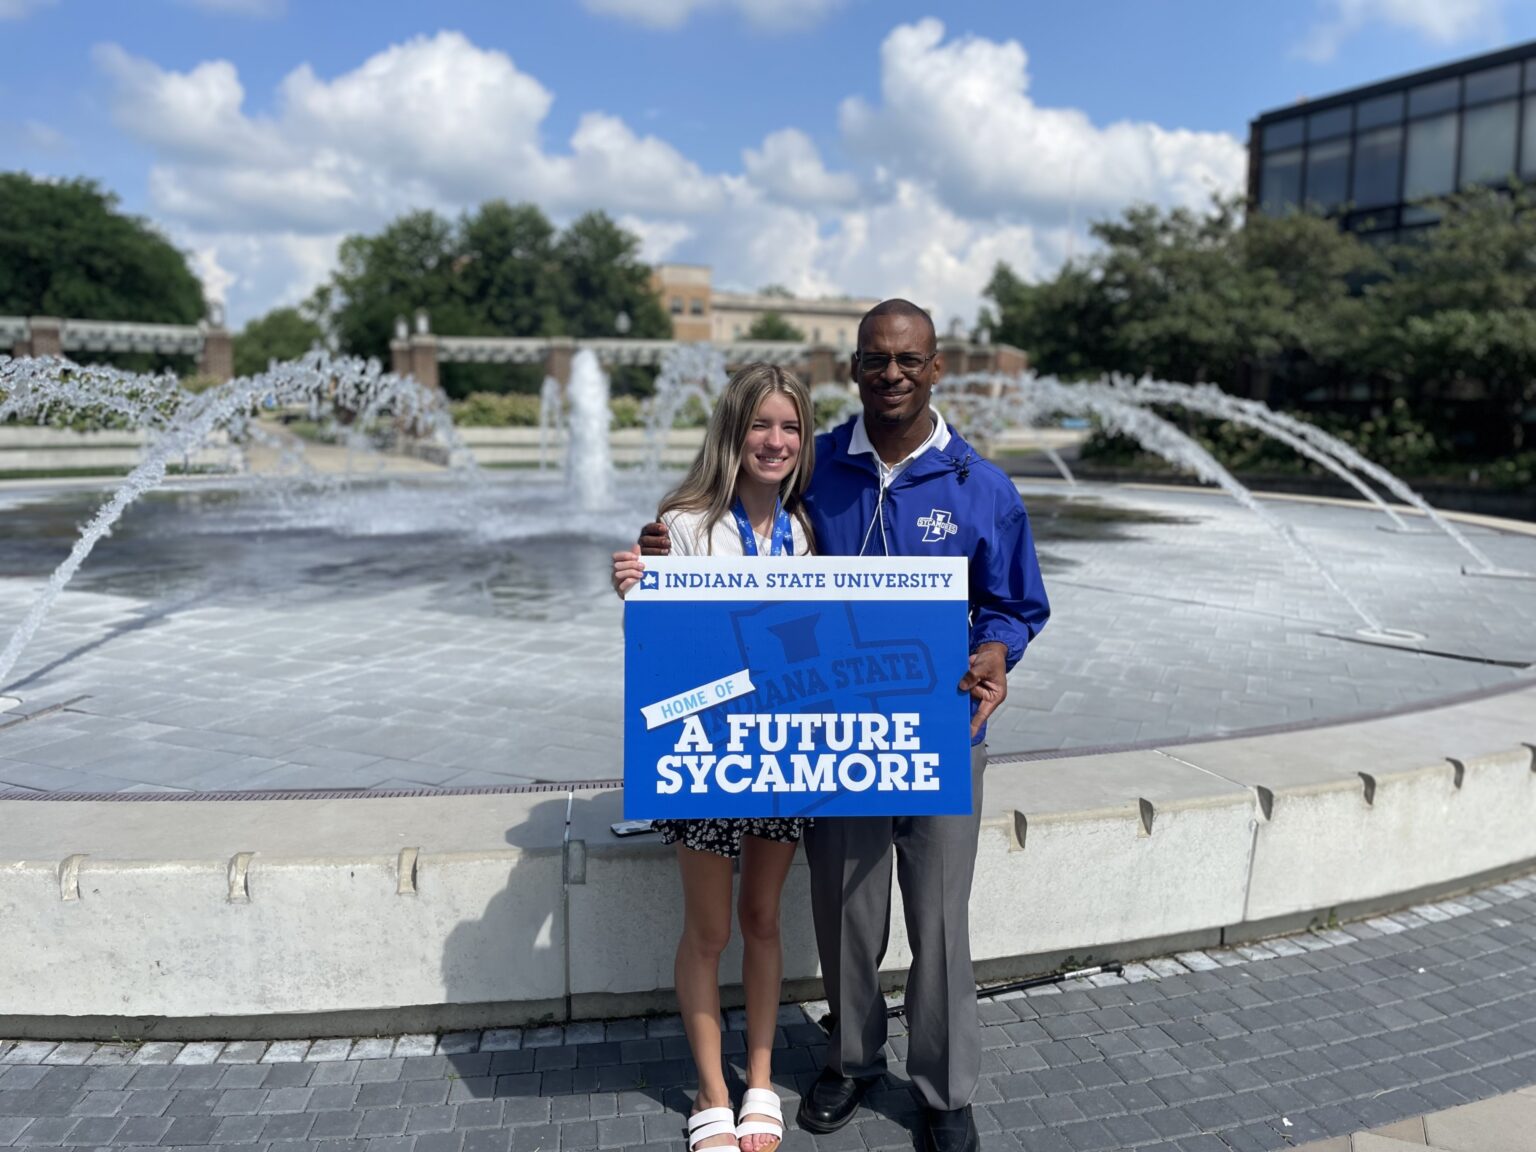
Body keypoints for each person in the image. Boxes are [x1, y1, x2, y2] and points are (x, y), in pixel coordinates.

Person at [636, 300, 1049, 1152]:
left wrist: (998, 654)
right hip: (835, 735)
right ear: (854, 369)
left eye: (908, 360)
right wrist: (661, 561)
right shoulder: (820, 475)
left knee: (939, 921)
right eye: (874, 360)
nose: (891, 374)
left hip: (941, 731)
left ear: (937, 368)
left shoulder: (982, 486)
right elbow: (736, 543)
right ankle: (853, 1056)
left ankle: (943, 1088)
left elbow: (1015, 604)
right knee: (847, 912)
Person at [612, 363, 818, 1152]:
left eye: (791, 428)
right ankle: (710, 1090)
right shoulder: (685, 522)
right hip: (706, 755)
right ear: (733, 431)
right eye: (762, 425)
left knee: (762, 919)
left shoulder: (803, 533)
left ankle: (760, 1077)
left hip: (786, 755)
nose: (776, 441)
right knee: (709, 931)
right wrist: (632, 583)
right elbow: (655, 640)